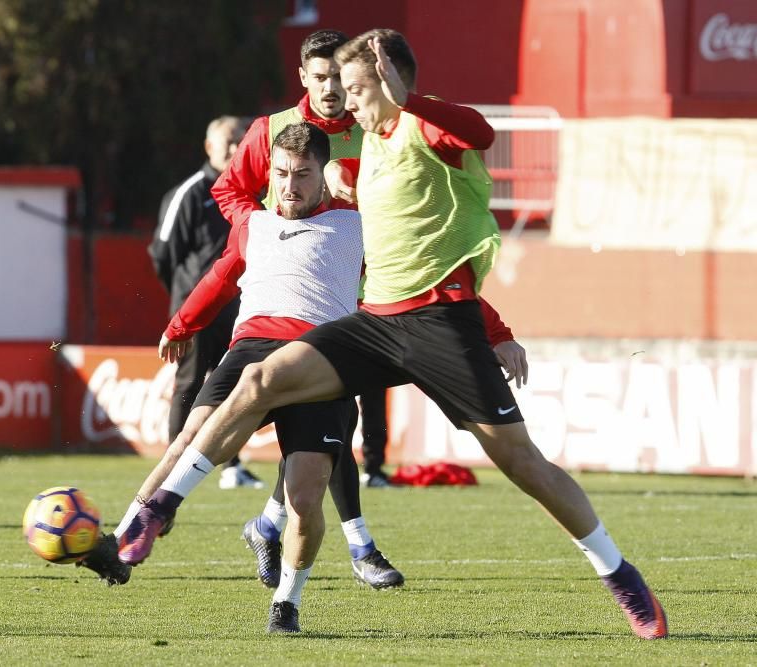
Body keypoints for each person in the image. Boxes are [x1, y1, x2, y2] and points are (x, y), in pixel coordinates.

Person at [119, 29, 668, 641]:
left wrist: (496, 330)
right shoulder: (364, 154)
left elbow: (479, 134)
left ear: (391, 82)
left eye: (357, 89)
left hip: (440, 324)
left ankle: (619, 574)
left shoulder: (426, 131)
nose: (346, 103)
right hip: (375, 323)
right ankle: (161, 509)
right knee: (260, 378)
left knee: (520, 461)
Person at [210, 29, 406, 584]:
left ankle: (272, 524)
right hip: (292, 294)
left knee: (331, 420)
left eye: (338, 79)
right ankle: (359, 546)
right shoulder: (270, 132)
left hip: (368, 287)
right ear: (302, 77)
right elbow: (230, 193)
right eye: (318, 77)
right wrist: (268, 233)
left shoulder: (377, 130)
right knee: (331, 411)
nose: (330, 90)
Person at [148, 115, 264, 490]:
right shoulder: (190, 193)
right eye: (227, 141)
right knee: (190, 386)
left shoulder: (251, 192)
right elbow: (162, 255)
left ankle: (232, 465)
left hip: (239, 311)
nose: (234, 149)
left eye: (239, 141)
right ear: (209, 147)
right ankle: (171, 467)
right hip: (197, 315)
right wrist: (185, 300)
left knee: (233, 388)